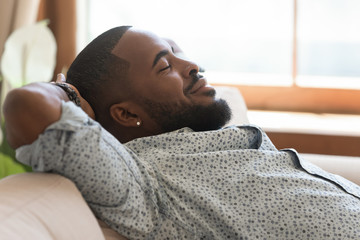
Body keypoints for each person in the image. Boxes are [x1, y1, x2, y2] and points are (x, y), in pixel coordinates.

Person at [3, 26, 360, 240]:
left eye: (179, 53)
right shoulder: (143, 180)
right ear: (126, 113)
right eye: (165, 66)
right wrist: (67, 93)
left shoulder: (213, 142)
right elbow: (25, 106)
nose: (192, 66)